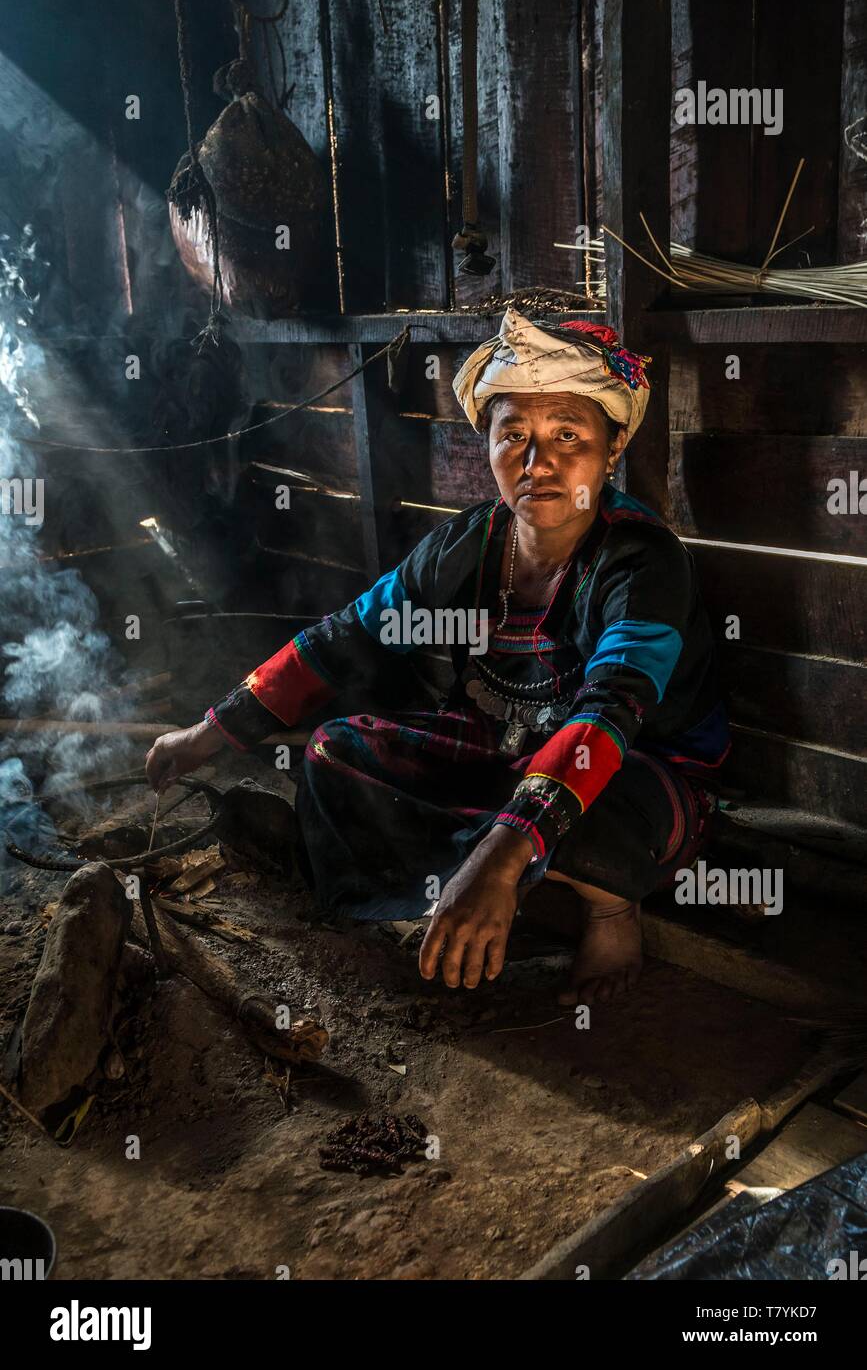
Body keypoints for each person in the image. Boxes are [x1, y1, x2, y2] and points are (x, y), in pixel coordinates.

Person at [145, 312, 729, 1005]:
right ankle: (471, 886)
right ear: (486, 446)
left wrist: (500, 849)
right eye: (513, 436)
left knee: (581, 805)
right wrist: (206, 734)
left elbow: (611, 709)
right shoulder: (467, 545)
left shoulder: (640, 561)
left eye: (567, 436)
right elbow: (348, 636)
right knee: (335, 751)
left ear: (612, 446)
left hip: (633, 766)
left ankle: (606, 908)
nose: (536, 463)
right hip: (504, 745)